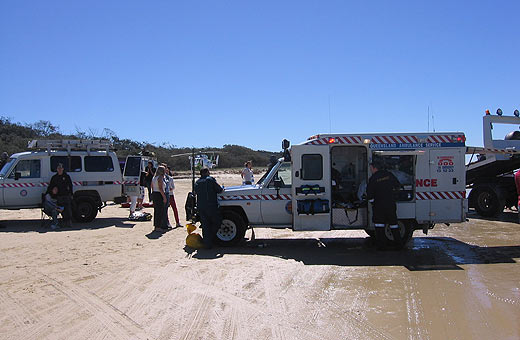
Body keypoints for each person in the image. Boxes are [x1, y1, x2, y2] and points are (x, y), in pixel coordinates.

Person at [366, 161, 401, 249]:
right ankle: (399, 244)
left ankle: (381, 246)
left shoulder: (373, 178)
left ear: (375, 168)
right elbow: (397, 186)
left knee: (379, 225)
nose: (371, 170)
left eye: (371, 168)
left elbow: (369, 193)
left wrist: (373, 202)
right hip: (390, 204)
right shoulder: (389, 175)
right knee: (394, 224)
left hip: (379, 206)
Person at [194, 168, 224, 248]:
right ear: (207, 172)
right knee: (217, 222)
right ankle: (211, 238)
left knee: (205, 225)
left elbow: (195, 192)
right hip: (211, 205)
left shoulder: (197, 182)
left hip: (200, 206)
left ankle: (207, 243)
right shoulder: (210, 180)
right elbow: (219, 190)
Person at [48, 163, 73, 227]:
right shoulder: (54, 178)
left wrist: (71, 194)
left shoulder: (66, 176)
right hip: (59, 196)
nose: (59, 170)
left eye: (61, 168)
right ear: (56, 169)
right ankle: (63, 222)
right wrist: (52, 193)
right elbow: (50, 187)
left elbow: (70, 186)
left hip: (66, 196)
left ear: (63, 169)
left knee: (68, 209)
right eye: (58, 168)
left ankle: (69, 222)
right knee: (62, 210)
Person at [151, 165, 168, 232]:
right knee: (160, 211)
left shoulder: (154, 177)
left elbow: (152, 186)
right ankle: (158, 226)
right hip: (159, 194)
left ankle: (156, 225)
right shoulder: (160, 178)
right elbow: (160, 188)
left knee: (156, 210)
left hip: (155, 193)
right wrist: (164, 197)